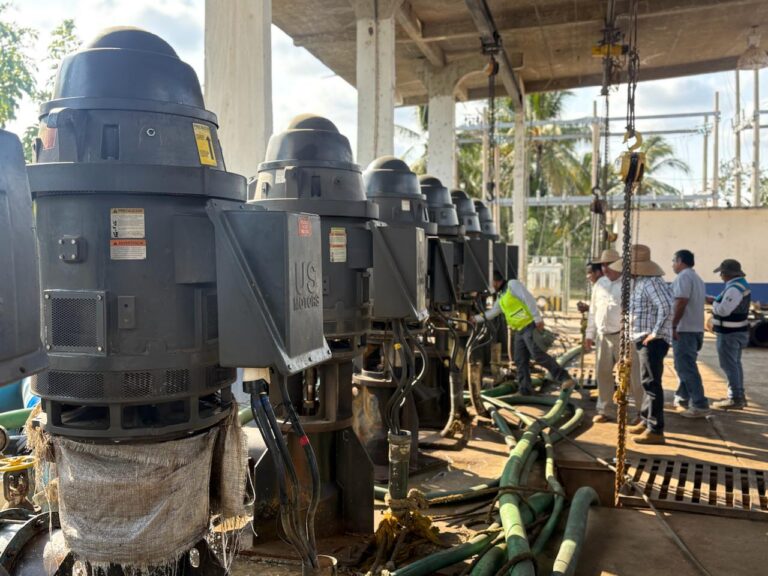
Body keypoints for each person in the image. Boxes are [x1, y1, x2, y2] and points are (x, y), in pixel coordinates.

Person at [610, 245, 673, 445]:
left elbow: (667, 307)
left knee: (652, 384)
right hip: (641, 338)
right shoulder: (641, 283)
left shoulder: (651, 283)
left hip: (651, 341)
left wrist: (655, 333)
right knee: (646, 383)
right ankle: (646, 420)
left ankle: (655, 429)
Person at [473, 276, 575, 395]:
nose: (490, 287)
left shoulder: (512, 285)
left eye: (491, 283)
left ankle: (565, 378)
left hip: (529, 326)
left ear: (496, 281)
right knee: (520, 360)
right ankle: (525, 390)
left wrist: (537, 318)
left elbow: (528, 299)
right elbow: (494, 312)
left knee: (538, 355)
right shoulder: (501, 295)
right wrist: (475, 319)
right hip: (519, 331)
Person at [584, 249, 644, 423]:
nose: (605, 269)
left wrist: (630, 332)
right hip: (603, 336)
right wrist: (590, 334)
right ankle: (605, 410)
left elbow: (636, 311)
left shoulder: (630, 285)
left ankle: (641, 412)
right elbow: (593, 311)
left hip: (624, 336)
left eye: (608, 265)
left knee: (633, 376)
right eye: (602, 265)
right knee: (602, 374)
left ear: (619, 265)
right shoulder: (599, 284)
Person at [707, 259, 751, 409]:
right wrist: (715, 301)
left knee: (729, 365)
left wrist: (713, 304)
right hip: (738, 331)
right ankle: (739, 395)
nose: (720, 276)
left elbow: (724, 310)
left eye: (721, 273)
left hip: (729, 333)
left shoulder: (734, 288)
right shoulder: (740, 284)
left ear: (726, 274)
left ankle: (735, 398)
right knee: (735, 364)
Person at [670, 249, 709, 417]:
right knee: (685, 365)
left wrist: (673, 325)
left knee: (686, 368)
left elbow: (681, 301)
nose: (672, 265)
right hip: (695, 329)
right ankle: (683, 396)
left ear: (680, 261)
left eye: (673, 261)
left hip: (684, 330)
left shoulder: (683, 277)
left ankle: (700, 404)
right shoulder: (697, 278)